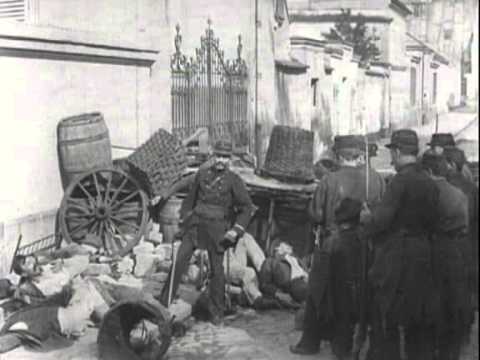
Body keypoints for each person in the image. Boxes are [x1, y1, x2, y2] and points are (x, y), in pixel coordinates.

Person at [291, 135, 385, 357]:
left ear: (338, 155)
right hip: (365, 244)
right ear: (359, 155)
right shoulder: (376, 179)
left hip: (334, 243)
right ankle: (351, 342)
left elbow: (316, 214)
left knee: (318, 291)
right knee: (358, 295)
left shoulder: (329, 180)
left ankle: (310, 343)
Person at [360, 129, 439, 360]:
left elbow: (380, 221)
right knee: (418, 319)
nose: (392, 160)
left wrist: (367, 218)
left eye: (392, 154)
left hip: (398, 257)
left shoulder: (399, 182)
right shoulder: (429, 181)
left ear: (397, 151)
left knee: (386, 315)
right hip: (424, 254)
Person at [158, 140, 254, 325]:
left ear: (230, 159)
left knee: (217, 271)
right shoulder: (201, 175)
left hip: (218, 229)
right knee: (179, 260)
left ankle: (217, 312)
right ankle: (164, 302)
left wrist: (236, 230)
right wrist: (184, 221)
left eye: (225, 157)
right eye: (218, 156)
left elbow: (246, 208)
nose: (221, 160)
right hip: (196, 227)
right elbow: (189, 201)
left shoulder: (234, 181)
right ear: (212, 155)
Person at [421, 151, 472, 360]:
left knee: (431, 303)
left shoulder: (426, 193)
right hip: (455, 250)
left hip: (431, 249)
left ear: (428, 171)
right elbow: (466, 225)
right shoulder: (458, 193)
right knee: (453, 302)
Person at [444, 146, 479, 308]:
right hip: (468, 245)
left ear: (450, 164)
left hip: (450, 244)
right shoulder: (472, 187)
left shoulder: (445, 187)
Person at [223, 232, 280, 310]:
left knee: (245, 237)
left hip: (231, 256)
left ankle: (266, 272)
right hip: (221, 263)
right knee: (248, 272)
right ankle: (257, 299)